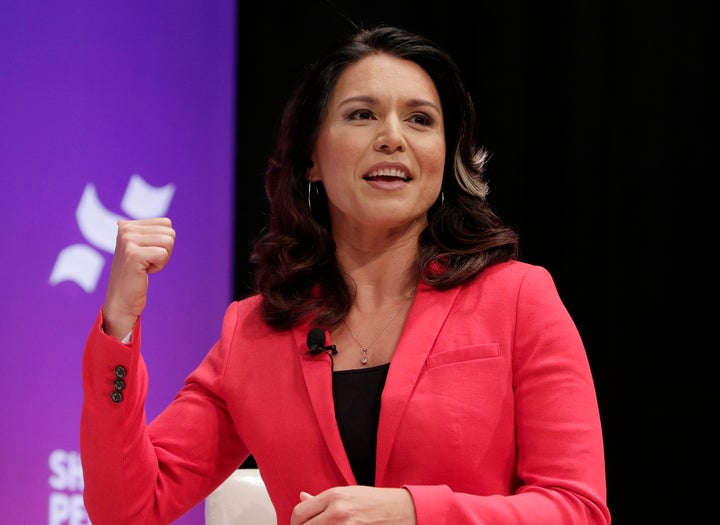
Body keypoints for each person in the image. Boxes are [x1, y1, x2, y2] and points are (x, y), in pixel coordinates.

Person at [80, 24, 611, 525]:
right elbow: (128, 508)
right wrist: (119, 323)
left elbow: (577, 508)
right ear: (311, 156)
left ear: (445, 157)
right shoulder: (253, 333)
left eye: (421, 120)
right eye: (362, 115)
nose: (392, 138)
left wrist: (411, 513)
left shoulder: (518, 298)